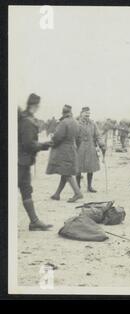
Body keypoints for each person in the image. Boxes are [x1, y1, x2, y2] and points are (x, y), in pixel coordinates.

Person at [18, 93, 53, 231]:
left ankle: (34, 221)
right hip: (20, 162)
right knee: (24, 189)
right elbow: (28, 144)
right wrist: (44, 145)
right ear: (35, 105)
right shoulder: (27, 121)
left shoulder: (26, 118)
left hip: (23, 162)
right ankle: (34, 221)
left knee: (26, 190)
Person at [47, 105, 82, 203]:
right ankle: (57, 194)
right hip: (72, 148)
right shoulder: (76, 122)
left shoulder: (63, 122)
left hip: (63, 150)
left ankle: (77, 192)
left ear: (63, 113)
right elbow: (79, 137)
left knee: (66, 173)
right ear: (70, 112)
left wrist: (52, 143)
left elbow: (58, 137)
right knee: (65, 171)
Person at [76, 107, 106, 192]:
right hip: (79, 148)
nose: (87, 116)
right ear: (81, 113)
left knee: (91, 167)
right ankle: (77, 187)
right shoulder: (76, 123)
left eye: (88, 114)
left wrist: (101, 144)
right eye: (86, 114)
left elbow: (98, 135)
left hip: (90, 147)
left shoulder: (93, 124)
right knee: (78, 168)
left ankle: (89, 186)